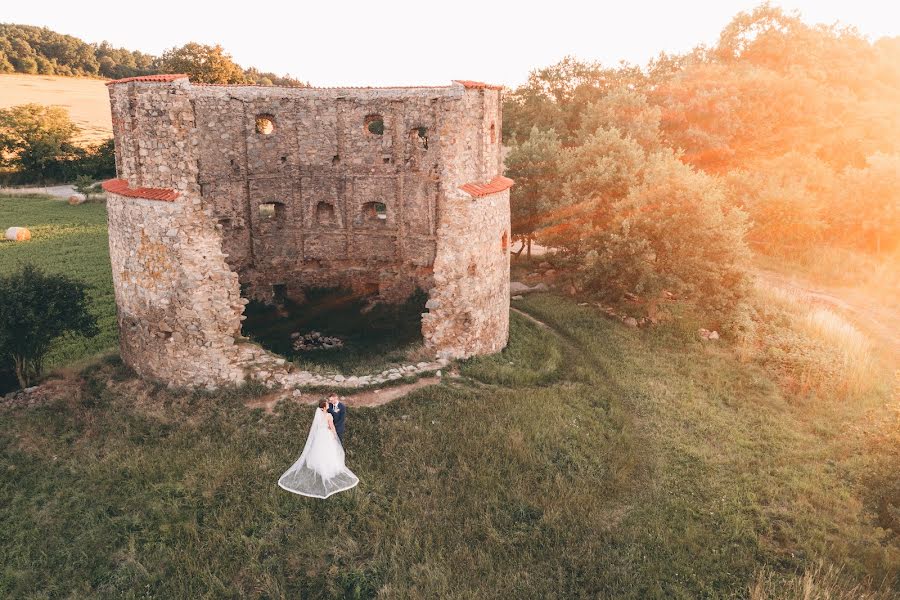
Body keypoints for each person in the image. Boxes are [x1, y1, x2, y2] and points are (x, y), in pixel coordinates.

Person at [278, 399, 359, 499]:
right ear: (324, 407)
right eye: (327, 404)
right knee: (329, 450)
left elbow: (316, 427)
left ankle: (319, 465)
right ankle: (328, 468)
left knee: (319, 450)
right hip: (327, 434)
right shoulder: (329, 415)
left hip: (320, 435)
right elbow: (332, 426)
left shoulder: (318, 415)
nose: (329, 405)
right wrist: (334, 434)